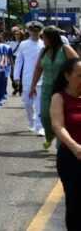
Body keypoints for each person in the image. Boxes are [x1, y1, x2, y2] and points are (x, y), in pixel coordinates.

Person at [30, 26, 80, 148]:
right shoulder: (43, 51)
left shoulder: (65, 49)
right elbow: (38, 69)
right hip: (47, 89)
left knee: (62, 119)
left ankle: (61, 145)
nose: (42, 40)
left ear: (51, 38)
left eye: (44, 38)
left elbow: (77, 65)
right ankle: (49, 136)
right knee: (45, 116)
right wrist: (33, 86)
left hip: (62, 89)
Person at [49, 57, 81, 230]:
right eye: (79, 76)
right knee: (76, 205)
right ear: (67, 76)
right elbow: (58, 126)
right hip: (72, 158)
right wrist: (75, 148)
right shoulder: (59, 98)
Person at [15, 22, 47, 136]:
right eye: (32, 30)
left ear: (40, 31)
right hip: (27, 78)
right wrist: (16, 76)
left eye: (36, 31)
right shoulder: (23, 44)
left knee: (39, 104)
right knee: (28, 103)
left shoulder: (44, 44)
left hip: (41, 78)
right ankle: (31, 121)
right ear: (29, 31)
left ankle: (40, 126)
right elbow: (19, 60)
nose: (34, 33)